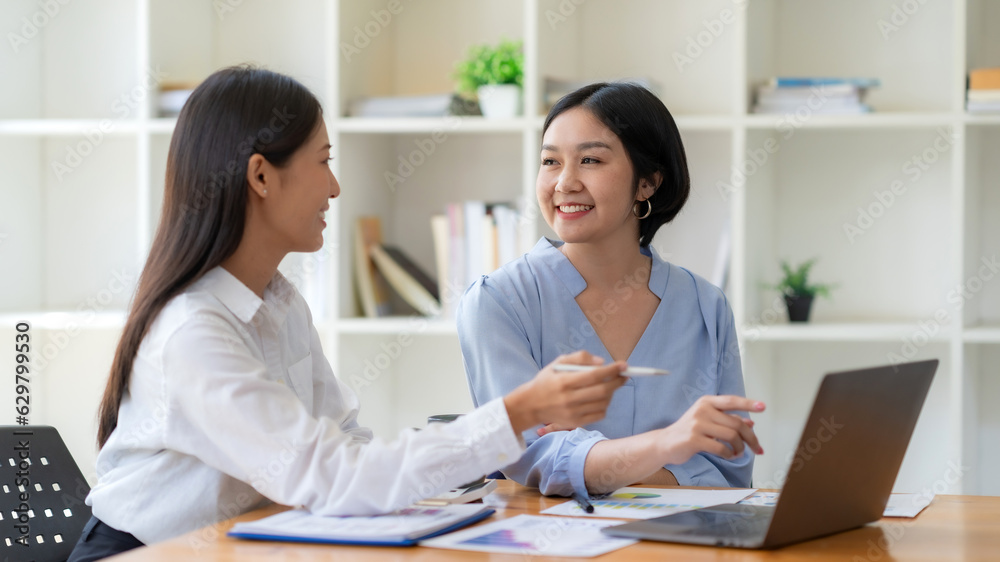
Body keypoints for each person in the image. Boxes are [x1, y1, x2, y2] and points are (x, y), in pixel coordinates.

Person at [67, 66, 627, 561]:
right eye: (323, 162)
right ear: (262, 176)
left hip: (246, 542)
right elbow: (334, 477)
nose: (334, 188)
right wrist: (514, 413)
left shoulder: (280, 302)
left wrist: (459, 464)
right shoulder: (193, 332)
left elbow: (346, 445)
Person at [458, 82, 764, 500]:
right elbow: (533, 458)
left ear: (648, 183)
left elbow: (728, 469)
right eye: (550, 161)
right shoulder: (498, 301)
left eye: (590, 160)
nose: (564, 182)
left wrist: (589, 460)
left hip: (682, 544)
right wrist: (669, 446)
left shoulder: (705, 305)